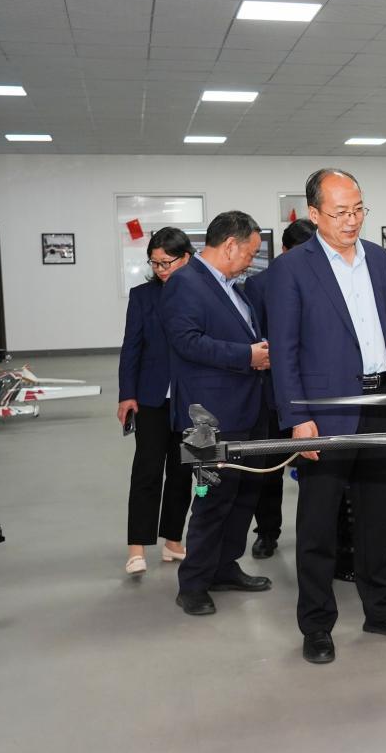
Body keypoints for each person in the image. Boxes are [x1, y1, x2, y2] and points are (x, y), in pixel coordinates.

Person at [268, 168, 386, 664]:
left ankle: (380, 611)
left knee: (377, 519)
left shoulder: (378, 259)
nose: (351, 220)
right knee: (318, 526)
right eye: (340, 212)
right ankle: (317, 624)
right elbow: (284, 351)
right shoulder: (292, 269)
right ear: (314, 214)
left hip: (379, 404)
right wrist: (298, 418)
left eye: (358, 209)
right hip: (324, 413)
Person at [162, 211, 272, 616]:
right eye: (251, 253)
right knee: (212, 499)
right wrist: (247, 355)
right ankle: (193, 584)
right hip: (208, 417)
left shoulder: (231, 287)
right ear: (229, 245)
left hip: (248, 408)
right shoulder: (184, 283)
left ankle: (224, 567)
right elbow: (186, 342)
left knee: (244, 494)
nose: (252, 261)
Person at [116, 227, 193, 576]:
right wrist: (126, 395)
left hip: (189, 399)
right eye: (155, 263)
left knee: (182, 471)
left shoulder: (200, 294)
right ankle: (136, 547)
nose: (160, 269)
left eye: (167, 262)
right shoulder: (142, 296)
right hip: (150, 398)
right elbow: (131, 348)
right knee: (147, 470)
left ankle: (173, 541)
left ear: (186, 258)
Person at [246, 218, 316, 560]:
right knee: (270, 465)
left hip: (317, 389)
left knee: (318, 463)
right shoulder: (258, 285)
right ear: (284, 250)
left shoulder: (323, 279)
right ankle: (267, 532)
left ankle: (319, 533)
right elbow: (253, 334)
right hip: (274, 388)